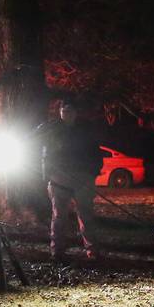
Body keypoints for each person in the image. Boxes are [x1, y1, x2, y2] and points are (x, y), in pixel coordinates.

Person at [37, 99, 101, 263]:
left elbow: (95, 153)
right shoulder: (51, 129)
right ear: (60, 112)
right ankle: (57, 250)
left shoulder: (85, 130)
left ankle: (92, 250)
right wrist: (48, 175)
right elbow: (44, 153)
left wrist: (92, 174)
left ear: (76, 112)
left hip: (83, 178)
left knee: (86, 214)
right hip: (58, 179)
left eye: (71, 110)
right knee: (59, 216)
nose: (68, 114)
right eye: (64, 111)